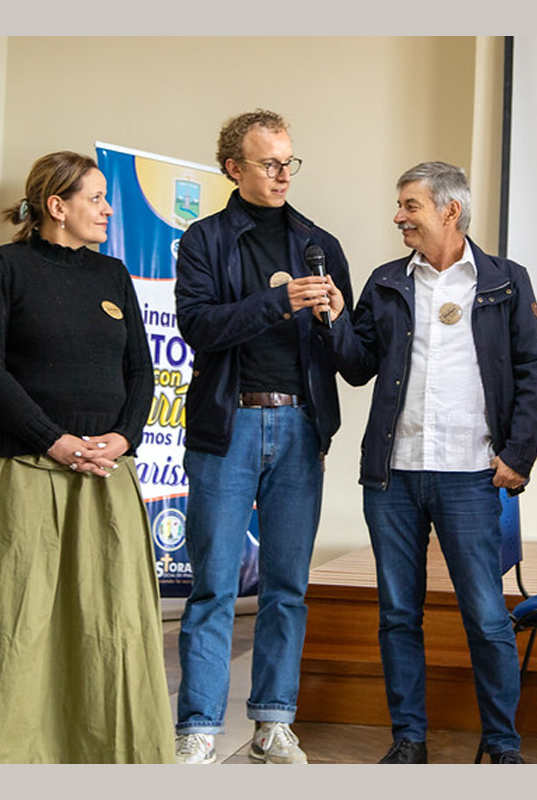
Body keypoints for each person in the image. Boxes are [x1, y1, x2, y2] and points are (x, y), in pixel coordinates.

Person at [0, 151, 173, 763]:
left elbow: (141, 373)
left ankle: (105, 757)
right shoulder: (3, 267)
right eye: (96, 198)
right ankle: (4, 757)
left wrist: (124, 438)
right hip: (25, 467)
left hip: (105, 473)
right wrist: (54, 440)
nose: (107, 208)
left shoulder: (112, 274)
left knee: (111, 625)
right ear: (56, 206)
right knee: (14, 624)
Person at [321, 161, 537, 764]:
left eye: (410, 205)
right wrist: (336, 317)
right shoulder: (387, 280)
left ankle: (502, 745)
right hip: (393, 475)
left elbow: (531, 373)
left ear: (450, 210)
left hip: (473, 475)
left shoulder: (506, 281)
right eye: (400, 205)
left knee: (485, 616)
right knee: (399, 613)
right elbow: (357, 365)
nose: (398, 216)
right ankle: (409, 740)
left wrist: (518, 454)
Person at [172, 109, 353, 764]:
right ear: (234, 169)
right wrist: (280, 302)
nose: (282, 174)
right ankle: (196, 727)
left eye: (288, 162)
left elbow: (353, 359)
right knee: (216, 583)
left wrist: (333, 317)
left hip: (301, 427)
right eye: (269, 163)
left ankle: (274, 721)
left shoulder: (320, 243)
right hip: (229, 426)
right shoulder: (204, 240)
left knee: (287, 585)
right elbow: (199, 327)